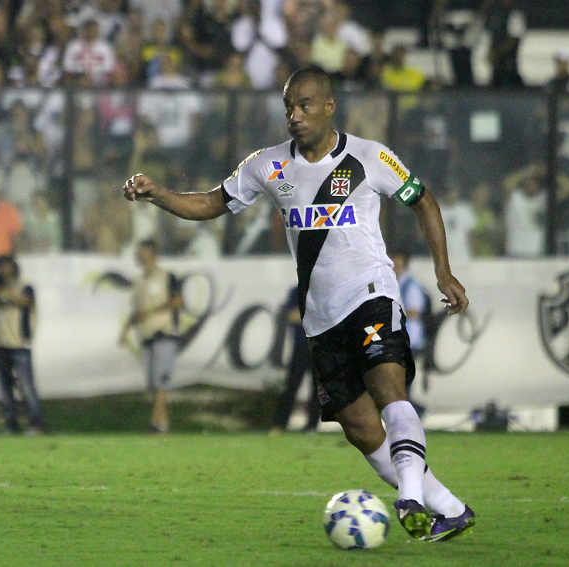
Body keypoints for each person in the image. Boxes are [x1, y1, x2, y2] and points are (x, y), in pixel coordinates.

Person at [122, 67, 474, 541]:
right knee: (359, 427)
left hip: (371, 294)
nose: (295, 115)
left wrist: (443, 271)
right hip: (320, 316)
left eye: (305, 105)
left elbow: (424, 202)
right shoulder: (267, 165)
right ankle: (449, 508)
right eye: (289, 106)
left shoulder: (369, 157)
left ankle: (410, 496)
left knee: (389, 388)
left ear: (329, 107)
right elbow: (209, 204)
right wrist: (159, 195)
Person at [119, 239, 183, 433]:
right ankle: (163, 426)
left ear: (151, 253)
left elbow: (177, 301)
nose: (137, 257)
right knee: (152, 384)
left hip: (164, 333)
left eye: (140, 253)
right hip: (146, 335)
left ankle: (154, 423)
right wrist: (126, 330)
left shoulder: (166, 276)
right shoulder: (138, 280)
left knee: (161, 381)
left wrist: (151, 312)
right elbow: (137, 310)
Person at [0, 255, 46, 435]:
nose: (4, 270)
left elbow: (26, 300)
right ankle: (11, 425)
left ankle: (36, 424)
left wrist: (4, 296)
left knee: (26, 386)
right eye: (1, 267)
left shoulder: (24, 285)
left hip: (19, 343)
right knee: (5, 388)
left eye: (7, 266)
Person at [270, 286, 320, 434]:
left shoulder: (328, 290)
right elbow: (291, 315)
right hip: (301, 347)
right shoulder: (297, 291)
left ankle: (311, 426)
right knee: (291, 386)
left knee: (318, 391)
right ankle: (280, 424)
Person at [391, 250, 431, 417]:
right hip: (399, 339)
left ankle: (415, 411)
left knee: (402, 382)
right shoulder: (394, 283)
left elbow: (415, 311)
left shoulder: (411, 285)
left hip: (410, 340)